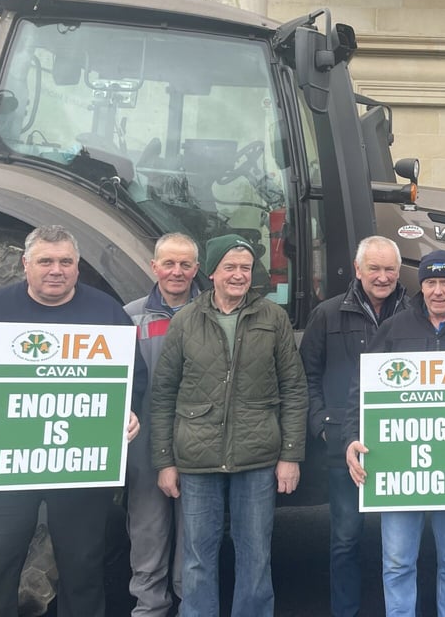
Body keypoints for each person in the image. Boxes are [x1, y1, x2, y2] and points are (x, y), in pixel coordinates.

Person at [0, 225, 144, 617]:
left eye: (66, 261)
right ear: (25, 264)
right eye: (45, 261)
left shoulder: (106, 314)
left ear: (77, 267)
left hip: (80, 471)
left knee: (83, 574)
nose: (56, 270)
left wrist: (129, 411)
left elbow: (136, 378)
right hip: (4, 466)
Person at [150, 234, 308, 617]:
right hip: (197, 457)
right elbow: (163, 394)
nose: (238, 276)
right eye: (230, 267)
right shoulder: (187, 319)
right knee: (197, 558)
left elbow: (294, 388)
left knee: (256, 556)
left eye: (246, 268)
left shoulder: (273, 318)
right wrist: (165, 462)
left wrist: (290, 456)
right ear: (212, 271)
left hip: (257, 457)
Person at [347, 249, 445, 617]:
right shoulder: (395, 329)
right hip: (397, 466)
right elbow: (361, 391)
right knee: (398, 561)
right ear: (422, 286)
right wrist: (351, 436)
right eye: (430, 282)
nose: (437, 291)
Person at [300, 235, 408, 617]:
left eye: (389, 269)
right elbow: (307, 375)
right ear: (358, 270)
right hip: (345, 445)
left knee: (400, 544)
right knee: (346, 538)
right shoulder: (327, 315)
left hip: (402, 445)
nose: (382, 277)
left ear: (399, 271)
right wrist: (323, 427)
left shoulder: (415, 312)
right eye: (374, 268)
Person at [123, 232, 201, 617]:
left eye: (185, 264)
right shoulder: (128, 317)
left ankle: (192, 606)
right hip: (144, 445)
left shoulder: (212, 313)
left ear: (197, 269)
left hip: (196, 442)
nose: (177, 272)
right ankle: (149, 608)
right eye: (169, 263)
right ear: (154, 267)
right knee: (148, 533)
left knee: (195, 537)